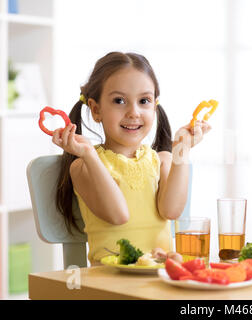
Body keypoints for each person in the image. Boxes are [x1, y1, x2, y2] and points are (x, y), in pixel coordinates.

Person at [53, 52, 211, 265]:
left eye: (144, 101)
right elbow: (118, 215)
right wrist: (90, 155)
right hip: (111, 282)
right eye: (119, 101)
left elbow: (172, 211)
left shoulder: (162, 160)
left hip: (160, 277)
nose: (134, 112)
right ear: (96, 109)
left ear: (154, 105)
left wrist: (182, 149)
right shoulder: (83, 166)